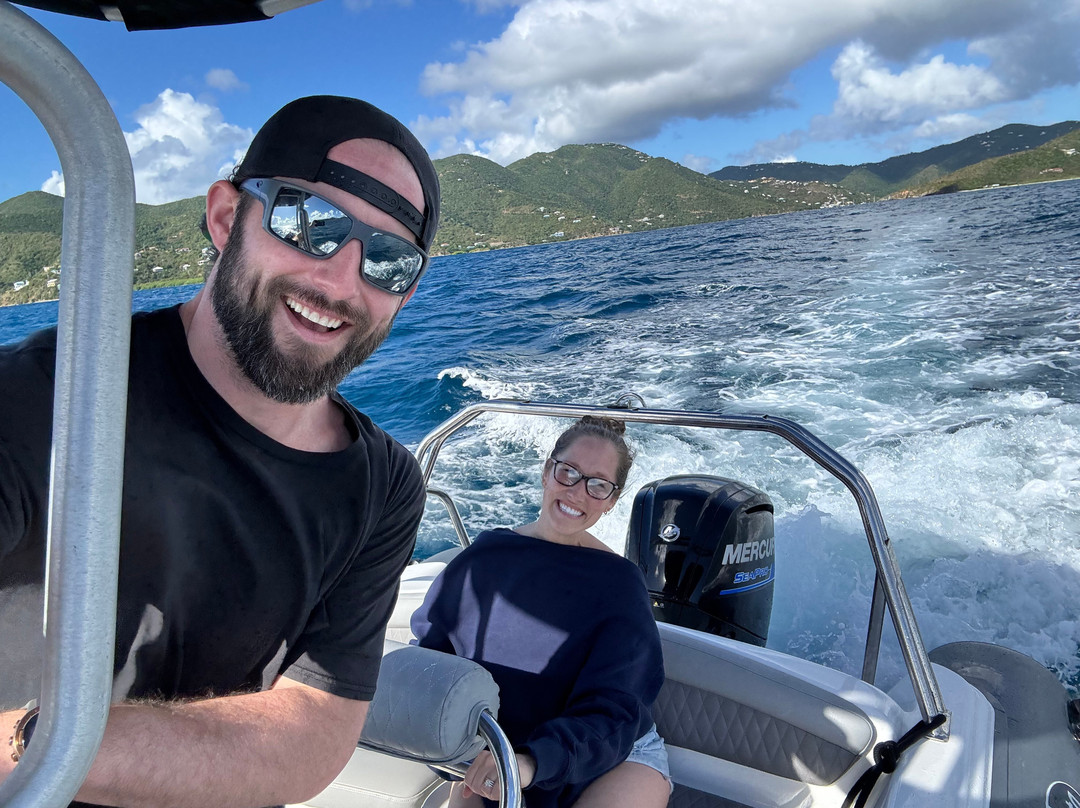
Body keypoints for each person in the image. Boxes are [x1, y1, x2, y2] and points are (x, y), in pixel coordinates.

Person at [0, 95, 440, 807]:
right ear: (227, 217)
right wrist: (39, 752)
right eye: (310, 222)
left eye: (387, 261)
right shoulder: (46, 399)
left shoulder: (383, 486)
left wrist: (52, 741)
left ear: (408, 294)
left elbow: (311, 733)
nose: (339, 282)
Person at [411, 416, 671, 808]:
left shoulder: (619, 584)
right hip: (500, 754)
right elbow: (432, 663)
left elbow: (616, 712)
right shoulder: (482, 561)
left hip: (609, 757)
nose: (578, 492)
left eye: (598, 484)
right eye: (568, 472)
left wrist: (533, 761)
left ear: (611, 500)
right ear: (547, 472)